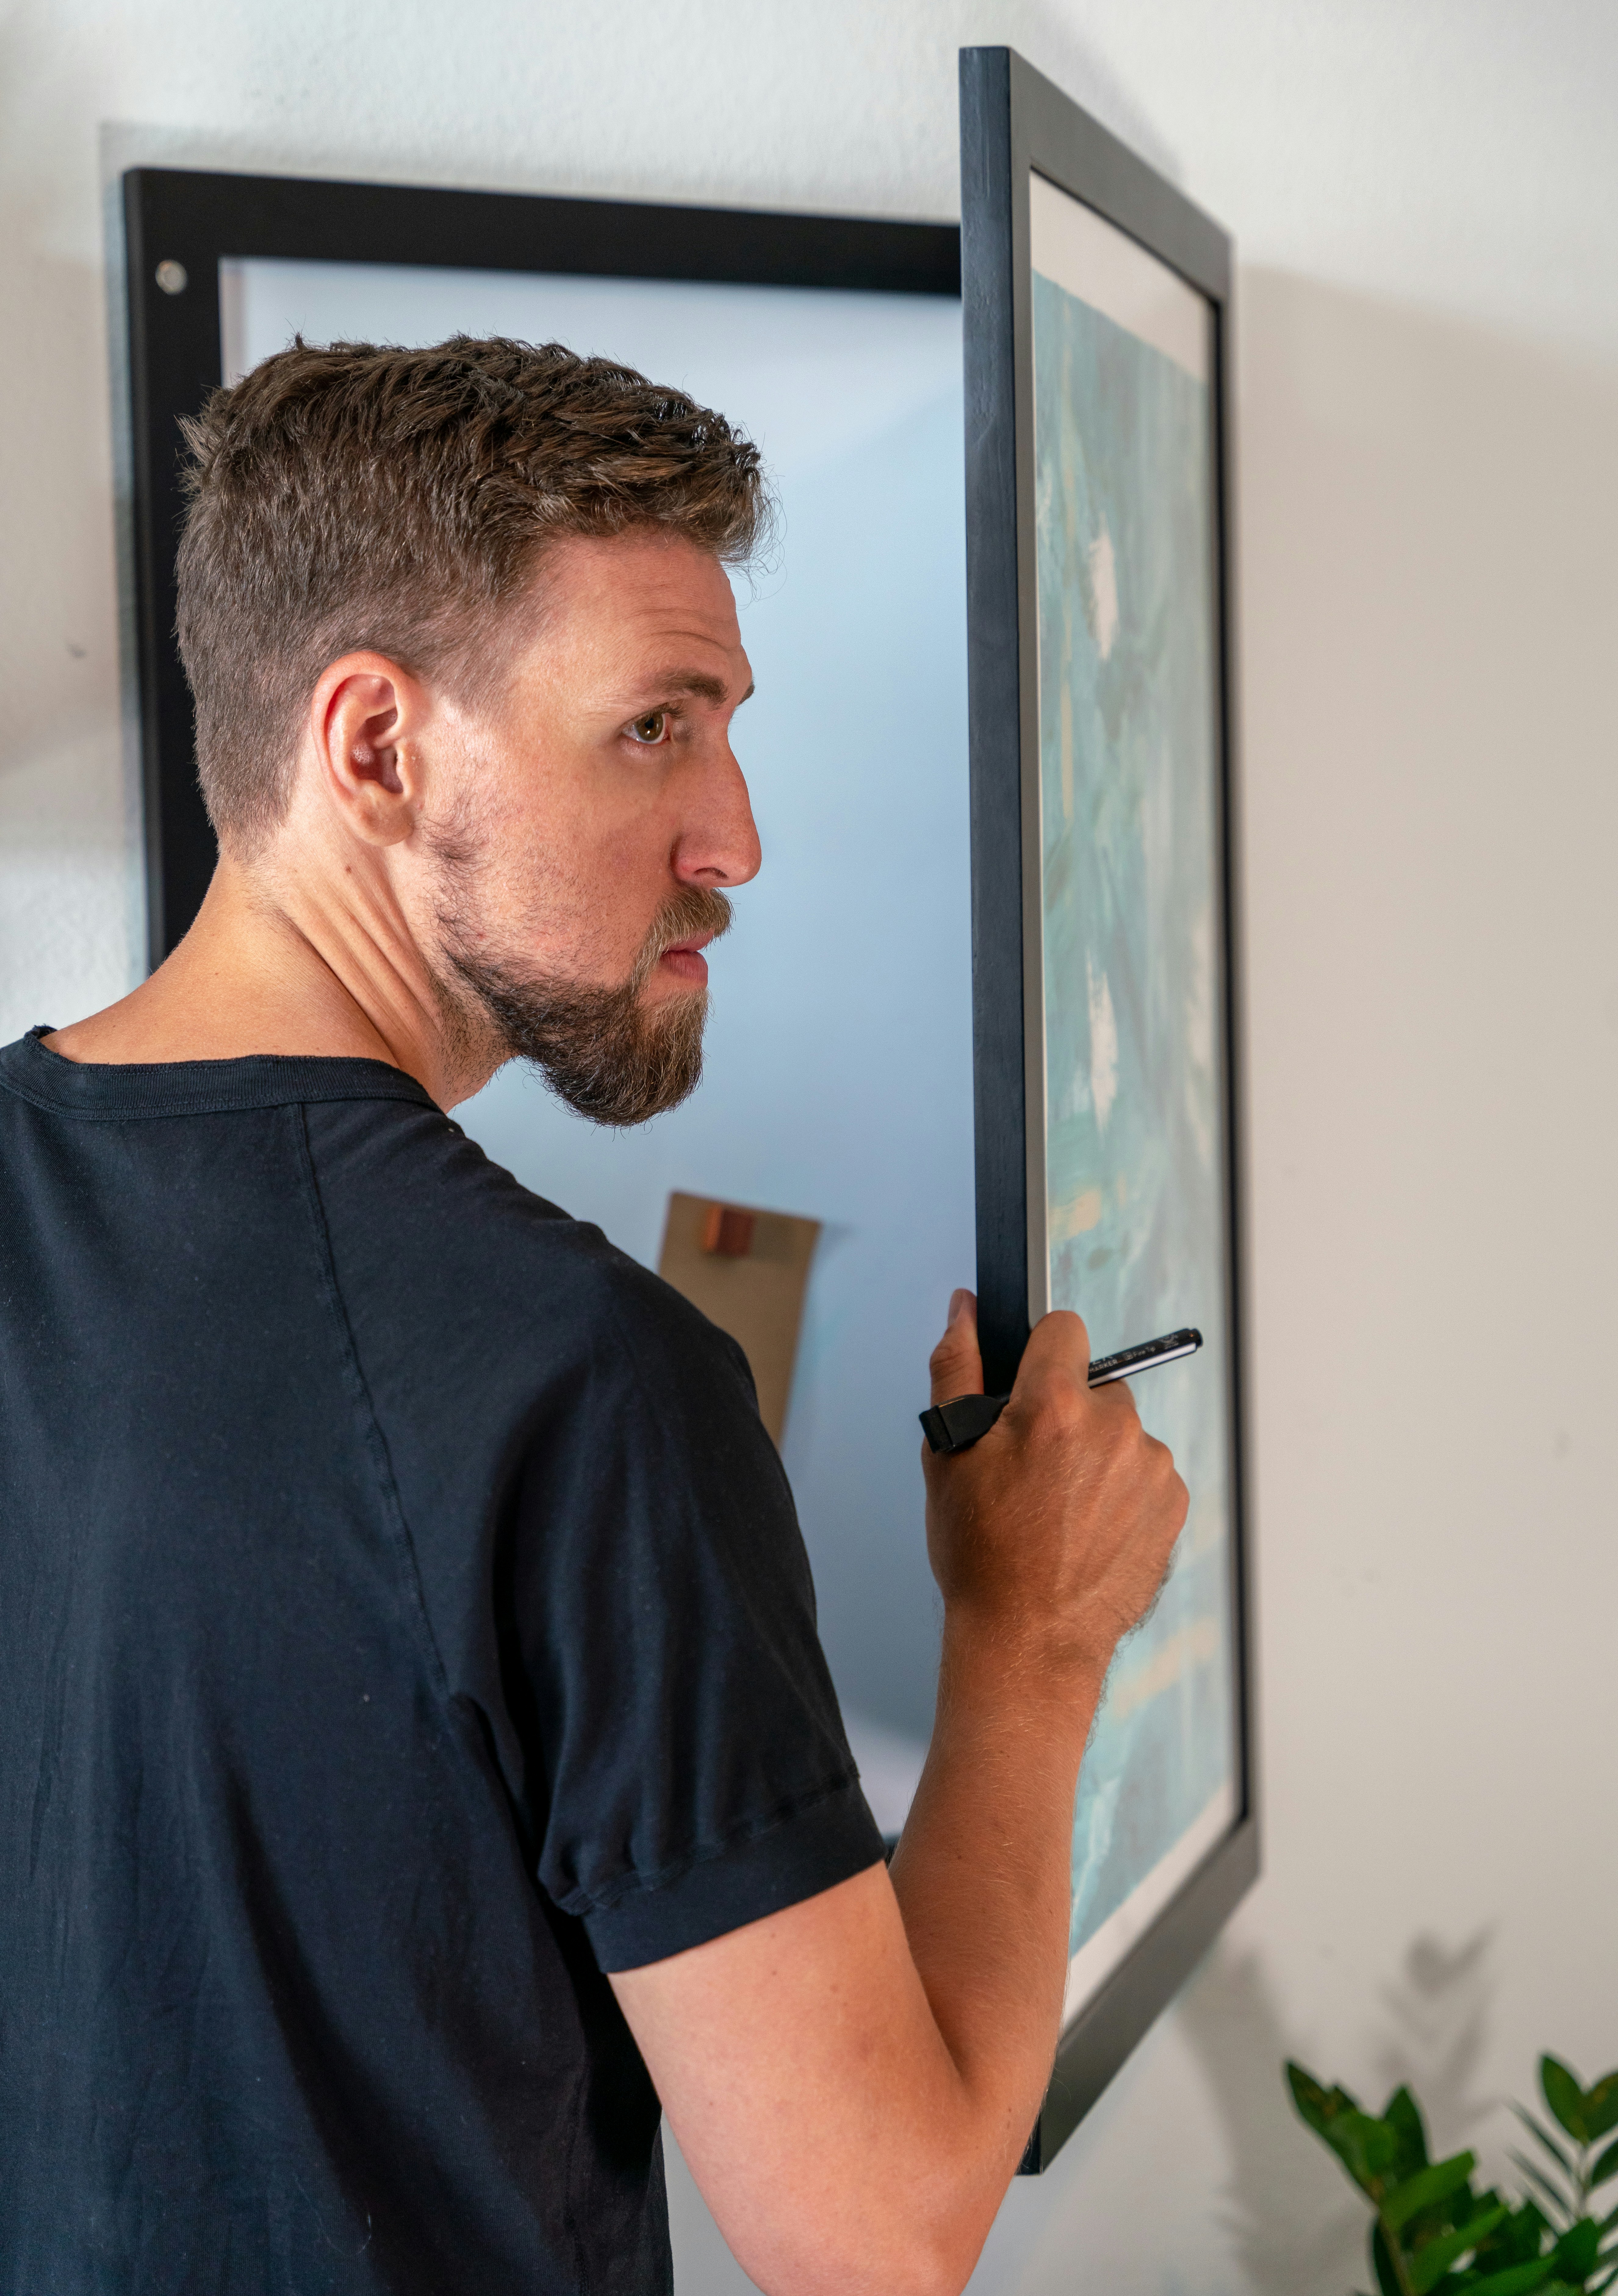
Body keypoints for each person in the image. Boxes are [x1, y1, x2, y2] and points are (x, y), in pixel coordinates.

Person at [0, 337, 1187, 2296]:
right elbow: (872, 2237)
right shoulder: (585, 1383)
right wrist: (1033, 1639)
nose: (731, 838)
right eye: (655, 726)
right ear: (374, 747)